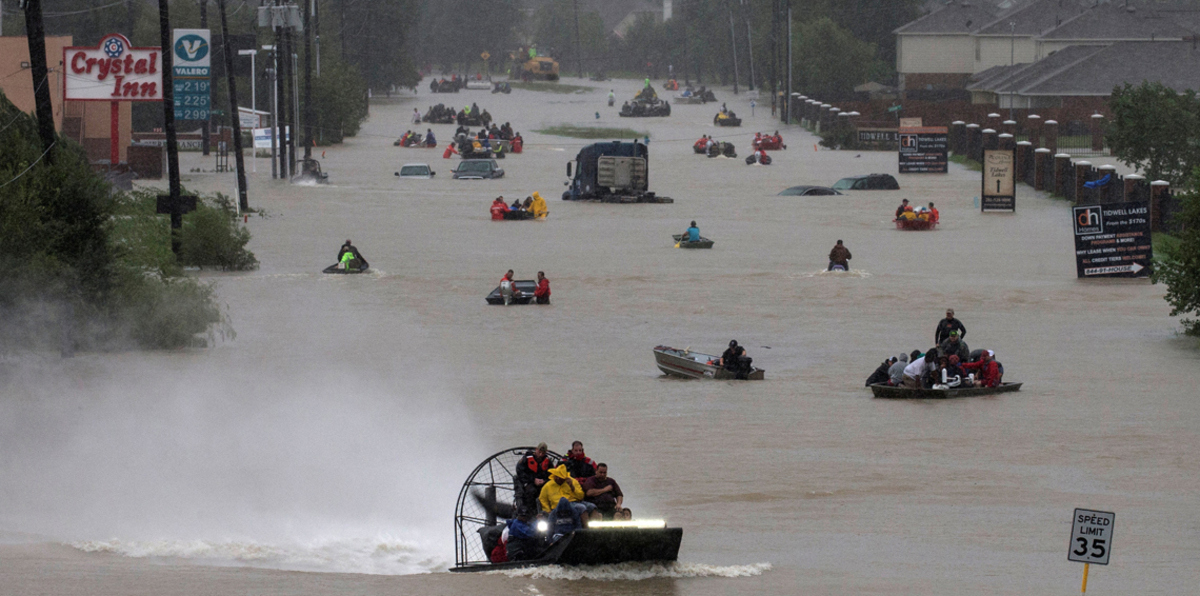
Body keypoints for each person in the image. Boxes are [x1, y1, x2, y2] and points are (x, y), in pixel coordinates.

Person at [514, 442, 553, 514]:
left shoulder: (548, 461)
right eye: (539, 452)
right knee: (531, 491)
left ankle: (544, 512)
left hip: (543, 484)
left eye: (543, 453)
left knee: (546, 493)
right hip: (529, 482)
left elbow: (552, 475)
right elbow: (520, 472)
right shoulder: (527, 458)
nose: (540, 455)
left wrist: (544, 481)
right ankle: (529, 512)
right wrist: (533, 480)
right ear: (536, 450)